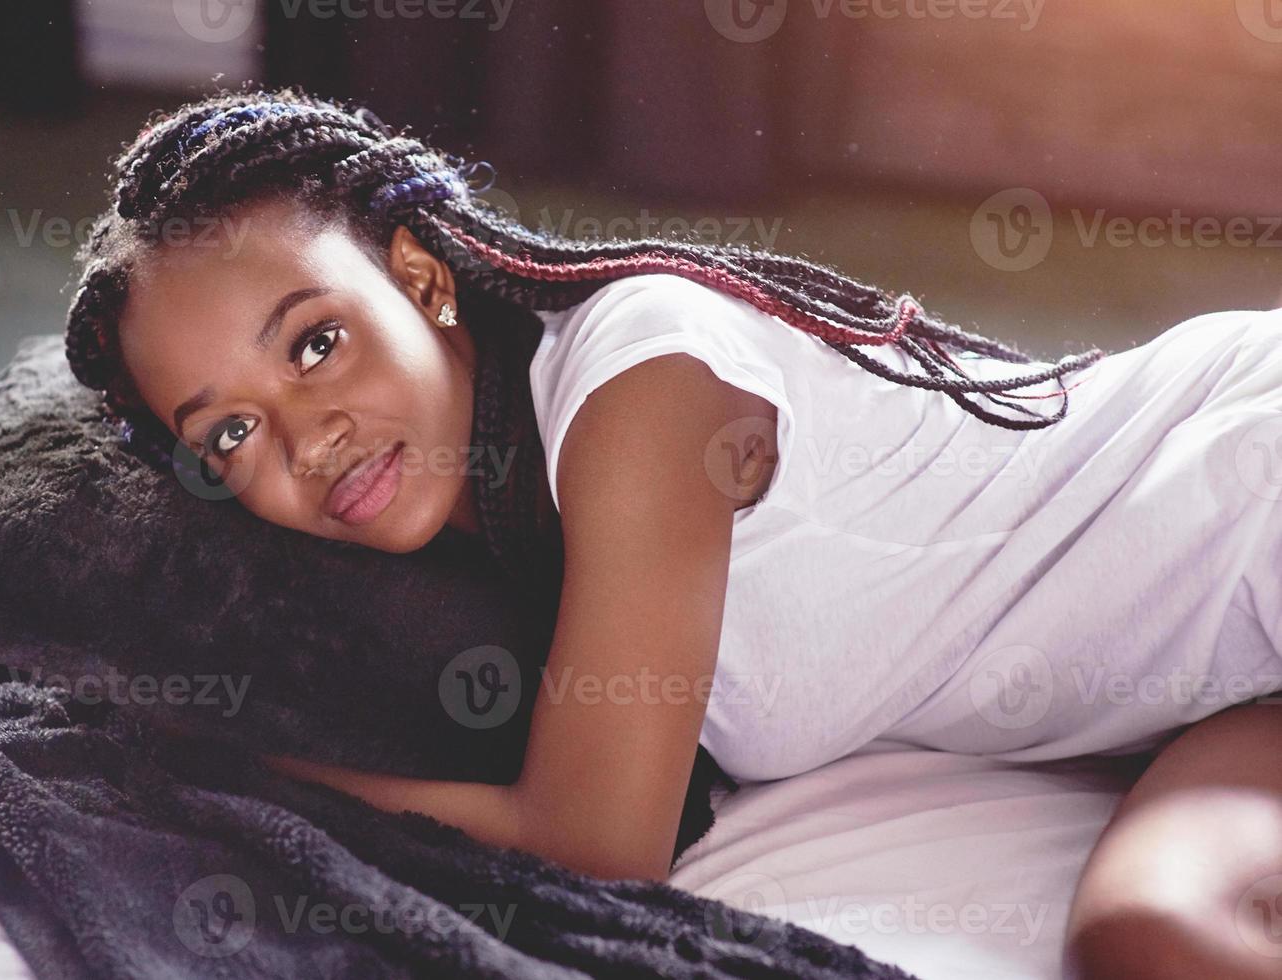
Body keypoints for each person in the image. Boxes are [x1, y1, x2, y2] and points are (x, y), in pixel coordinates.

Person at [63, 88, 1282, 975]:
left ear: (423, 280)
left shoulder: (638, 389)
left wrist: (222, 750)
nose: (307, 439)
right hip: (1228, 689)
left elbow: (596, 843)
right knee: (1153, 940)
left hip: (1245, 492)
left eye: (315, 341)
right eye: (226, 435)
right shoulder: (488, 515)